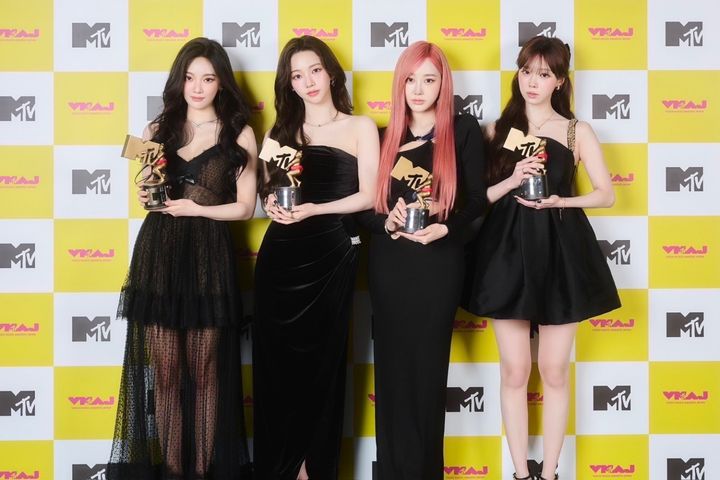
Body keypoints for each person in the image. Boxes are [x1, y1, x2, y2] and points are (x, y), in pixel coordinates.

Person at [463, 36, 621, 480]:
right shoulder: (495, 130)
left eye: (544, 74)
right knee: (514, 371)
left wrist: (560, 202)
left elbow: (606, 195)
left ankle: (549, 473)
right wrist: (511, 178)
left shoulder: (575, 131)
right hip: (504, 252)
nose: (532, 82)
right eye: (527, 71)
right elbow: (475, 200)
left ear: (560, 81)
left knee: (553, 371)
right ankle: (520, 472)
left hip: (560, 251)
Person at [107, 37, 257, 480]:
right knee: (167, 373)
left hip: (210, 256)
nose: (198, 87)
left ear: (221, 83)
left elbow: (246, 208)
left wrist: (198, 208)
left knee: (206, 373)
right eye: (190, 78)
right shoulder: (157, 129)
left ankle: (203, 471)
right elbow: (147, 191)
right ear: (179, 80)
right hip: (160, 253)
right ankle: (173, 470)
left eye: (208, 78)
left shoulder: (238, 132)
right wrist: (144, 194)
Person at [252, 35, 379, 480]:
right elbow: (266, 195)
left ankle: (313, 468)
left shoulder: (360, 126)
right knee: (275, 368)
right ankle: (277, 468)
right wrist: (270, 203)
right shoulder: (278, 134)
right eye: (297, 75)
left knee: (323, 365)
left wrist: (314, 209)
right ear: (289, 84)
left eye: (315, 70)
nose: (307, 81)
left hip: (331, 254)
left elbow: (369, 197)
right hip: (279, 259)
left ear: (331, 74)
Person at [358, 41, 487, 480]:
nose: (418, 89)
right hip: (390, 267)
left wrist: (446, 227)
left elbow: (477, 203)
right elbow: (363, 214)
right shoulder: (384, 136)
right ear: (399, 83)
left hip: (438, 267)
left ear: (443, 84)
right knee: (391, 376)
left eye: (429, 80)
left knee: (427, 376)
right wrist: (388, 223)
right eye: (410, 79)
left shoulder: (462, 129)